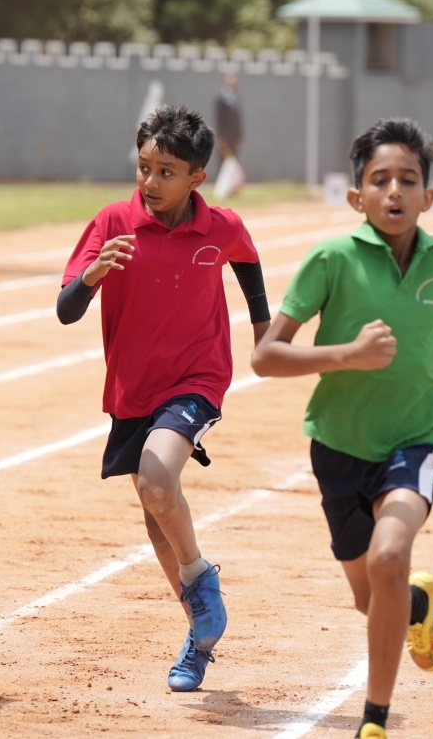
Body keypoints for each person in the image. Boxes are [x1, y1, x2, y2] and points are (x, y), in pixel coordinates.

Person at [250, 118, 433, 739]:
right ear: (357, 197)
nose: (394, 191)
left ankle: (374, 720)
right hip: (338, 445)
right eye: (380, 180)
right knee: (372, 595)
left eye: (408, 180)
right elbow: (265, 357)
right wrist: (347, 356)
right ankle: (415, 603)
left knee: (389, 555)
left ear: (428, 196)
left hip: (417, 441)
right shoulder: (331, 259)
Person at [55, 105, 271, 693]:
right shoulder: (113, 221)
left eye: (166, 172)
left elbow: (247, 259)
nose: (150, 181)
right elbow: (67, 310)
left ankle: (200, 578)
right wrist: (92, 276)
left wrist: (263, 329)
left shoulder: (219, 226)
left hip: (197, 376)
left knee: (156, 479)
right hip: (133, 386)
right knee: (157, 515)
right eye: (144, 167)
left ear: (198, 177)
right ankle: (200, 635)